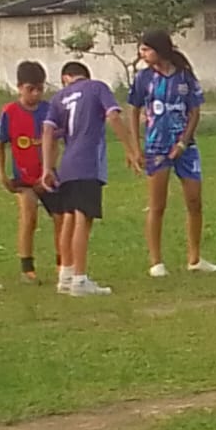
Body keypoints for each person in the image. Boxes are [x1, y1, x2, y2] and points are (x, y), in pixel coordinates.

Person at [41, 61, 144, 297]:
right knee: (82, 219)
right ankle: (80, 278)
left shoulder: (58, 98)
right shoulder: (97, 87)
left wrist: (47, 167)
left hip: (67, 164)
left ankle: (65, 275)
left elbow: (48, 131)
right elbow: (113, 116)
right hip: (87, 163)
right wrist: (130, 148)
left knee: (68, 217)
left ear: (66, 78)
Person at [129, 30, 216, 277]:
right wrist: (136, 148)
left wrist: (183, 142)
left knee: (194, 201)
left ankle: (195, 258)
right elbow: (133, 110)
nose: (142, 54)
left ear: (160, 49)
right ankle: (156, 262)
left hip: (185, 148)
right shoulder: (143, 78)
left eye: (146, 49)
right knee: (157, 205)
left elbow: (194, 112)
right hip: (156, 147)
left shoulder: (184, 77)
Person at [0, 61, 63, 284]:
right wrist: (2, 174)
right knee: (29, 217)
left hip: (47, 176)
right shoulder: (10, 112)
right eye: (30, 89)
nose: (35, 94)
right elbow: (0, 144)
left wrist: (49, 169)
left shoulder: (48, 110)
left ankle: (62, 264)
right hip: (23, 179)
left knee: (60, 218)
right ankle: (27, 268)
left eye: (39, 89)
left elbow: (55, 143)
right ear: (19, 87)